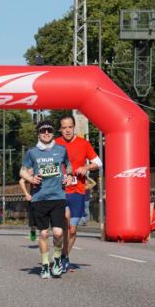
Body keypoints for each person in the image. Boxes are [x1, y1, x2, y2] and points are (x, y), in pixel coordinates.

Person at [20, 121, 76, 279]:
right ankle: (45, 265)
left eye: (49, 130)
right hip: (39, 198)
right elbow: (22, 171)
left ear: (53, 133)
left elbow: (69, 165)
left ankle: (57, 259)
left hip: (58, 196)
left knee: (58, 233)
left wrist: (70, 176)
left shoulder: (61, 149)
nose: (46, 133)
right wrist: (31, 178)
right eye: (43, 130)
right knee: (44, 234)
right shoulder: (32, 152)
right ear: (38, 133)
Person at [57, 115, 101, 271]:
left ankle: (64, 257)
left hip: (78, 191)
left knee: (73, 229)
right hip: (60, 192)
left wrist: (86, 167)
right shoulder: (55, 144)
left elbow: (98, 162)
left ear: (74, 127)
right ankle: (60, 258)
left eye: (70, 127)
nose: (67, 130)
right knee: (64, 224)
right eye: (64, 128)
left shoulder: (84, 144)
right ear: (60, 129)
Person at [19, 176, 36, 241]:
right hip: (34, 199)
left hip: (46, 199)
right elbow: (21, 181)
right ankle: (33, 230)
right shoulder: (32, 170)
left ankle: (44, 236)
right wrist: (26, 194)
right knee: (33, 221)